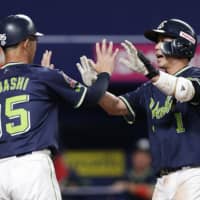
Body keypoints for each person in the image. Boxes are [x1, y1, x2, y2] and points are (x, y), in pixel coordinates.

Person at [77, 18, 200, 199]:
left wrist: (151, 73)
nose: (157, 47)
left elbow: (184, 90)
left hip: (193, 175)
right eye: (156, 42)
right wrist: (98, 87)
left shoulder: (195, 75)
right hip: (162, 180)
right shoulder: (150, 88)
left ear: (181, 44)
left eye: (163, 41)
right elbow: (116, 107)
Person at [0, 14, 118, 200]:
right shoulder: (42, 76)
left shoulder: (39, 77)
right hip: (31, 168)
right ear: (25, 43)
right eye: (33, 40)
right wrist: (104, 74)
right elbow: (91, 97)